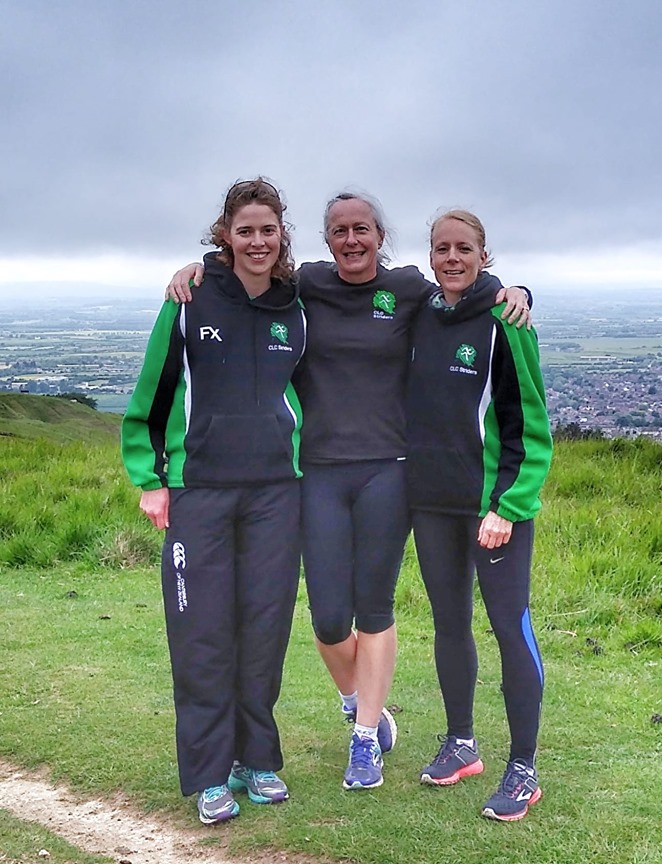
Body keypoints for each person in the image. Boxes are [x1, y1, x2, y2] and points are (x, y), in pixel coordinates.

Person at [166, 191, 530, 792]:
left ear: (379, 236)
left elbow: (464, 289)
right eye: (340, 231)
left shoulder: (408, 286)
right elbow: (247, 275)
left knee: (375, 606)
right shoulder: (305, 284)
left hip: (389, 469)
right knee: (330, 618)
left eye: (363, 229)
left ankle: (364, 741)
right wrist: (196, 268)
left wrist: (517, 293)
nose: (352, 240)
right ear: (325, 239)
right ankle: (362, 702)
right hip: (318, 472)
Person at [122, 178, 307, 824]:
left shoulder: (296, 303)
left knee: (263, 629)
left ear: (282, 234)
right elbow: (150, 395)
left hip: (276, 495)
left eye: (268, 229)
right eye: (245, 229)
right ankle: (208, 774)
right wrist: (150, 479)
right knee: (201, 633)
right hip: (197, 492)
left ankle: (254, 759)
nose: (257, 240)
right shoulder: (190, 297)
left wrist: (516, 291)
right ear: (224, 234)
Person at [406, 209, 552, 821]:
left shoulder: (505, 319)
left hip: (492, 511)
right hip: (432, 502)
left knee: (509, 625)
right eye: (442, 248)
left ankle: (524, 768)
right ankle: (461, 743)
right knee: (448, 623)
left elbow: (531, 428)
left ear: (484, 255)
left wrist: (507, 508)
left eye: (464, 248)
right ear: (431, 255)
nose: (452, 258)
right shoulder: (420, 312)